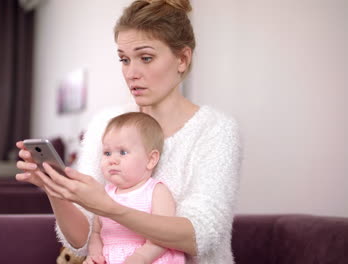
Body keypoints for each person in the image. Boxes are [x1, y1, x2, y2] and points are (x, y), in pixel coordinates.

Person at [16, 0, 241, 263]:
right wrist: (57, 191)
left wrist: (109, 208)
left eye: (146, 58)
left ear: (182, 59)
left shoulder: (216, 130)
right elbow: (82, 242)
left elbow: (200, 236)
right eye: (124, 59)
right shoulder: (105, 123)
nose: (131, 73)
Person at [85, 112, 185, 264]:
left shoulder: (155, 191)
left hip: (148, 258)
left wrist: (141, 258)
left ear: (151, 159)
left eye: (123, 152)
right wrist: (95, 256)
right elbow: (96, 233)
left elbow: (165, 235)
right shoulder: (105, 194)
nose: (112, 160)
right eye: (107, 153)